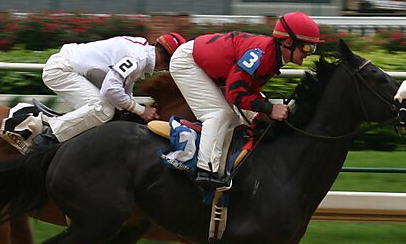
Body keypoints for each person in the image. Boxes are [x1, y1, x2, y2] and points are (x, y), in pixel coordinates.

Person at [169, 11, 322, 189]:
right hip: (188, 62)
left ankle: (220, 170)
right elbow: (235, 93)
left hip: (205, 65)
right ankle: (205, 170)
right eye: (306, 47)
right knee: (220, 114)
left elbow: (249, 91)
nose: (309, 53)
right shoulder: (260, 55)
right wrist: (269, 109)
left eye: (312, 48)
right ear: (288, 42)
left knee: (234, 120)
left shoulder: (272, 57)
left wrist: (264, 113)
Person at [32, 32, 187, 147]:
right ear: (168, 62)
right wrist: (141, 110)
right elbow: (110, 89)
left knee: (113, 111)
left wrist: (135, 109)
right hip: (62, 70)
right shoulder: (138, 58)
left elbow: (122, 91)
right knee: (103, 110)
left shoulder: (142, 52)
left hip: (71, 68)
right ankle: (46, 137)